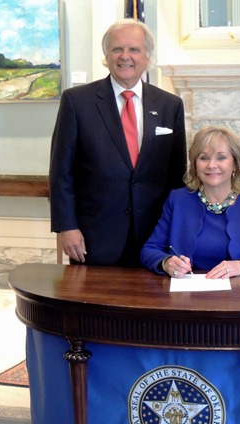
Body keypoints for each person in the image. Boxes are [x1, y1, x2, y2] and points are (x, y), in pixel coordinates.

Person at [49, 19, 187, 267]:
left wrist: (176, 232)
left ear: (147, 56)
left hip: (154, 239)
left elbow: (177, 176)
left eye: (134, 49)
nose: (125, 56)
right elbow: (61, 172)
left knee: (152, 304)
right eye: (117, 49)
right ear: (106, 55)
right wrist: (66, 226)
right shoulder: (77, 102)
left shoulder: (170, 105)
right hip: (93, 238)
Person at [141, 126, 240, 278]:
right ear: (195, 164)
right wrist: (166, 262)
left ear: (235, 164)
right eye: (204, 158)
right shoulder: (178, 200)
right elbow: (149, 250)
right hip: (187, 295)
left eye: (221, 157)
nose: (211, 165)